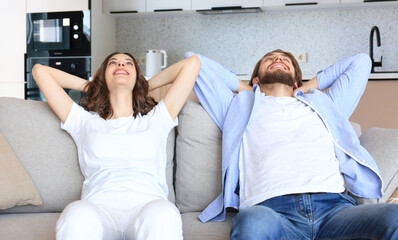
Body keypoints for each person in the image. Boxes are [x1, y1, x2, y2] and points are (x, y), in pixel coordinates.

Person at [185, 49, 398, 239]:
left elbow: (360, 62)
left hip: (334, 210)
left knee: (394, 216)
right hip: (271, 210)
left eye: (286, 59)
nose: (278, 58)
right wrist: (246, 88)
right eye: (269, 58)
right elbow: (193, 61)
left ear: (296, 80)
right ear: (256, 78)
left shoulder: (325, 104)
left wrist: (306, 87)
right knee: (252, 223)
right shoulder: (238, 106)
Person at [32, 52, 200, 240]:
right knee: (75, 214)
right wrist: (95, 86)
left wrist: (142, 86)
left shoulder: (157, 119)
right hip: (99, 209)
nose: (121, 65)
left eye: (129, 63)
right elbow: (40, 71)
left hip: (148, 207)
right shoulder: (83, 121)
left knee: (163, 214)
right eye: (113, 63)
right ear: (103, 75)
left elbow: (192, 64)